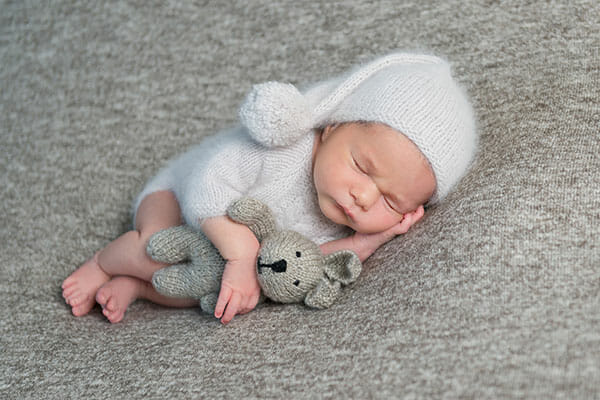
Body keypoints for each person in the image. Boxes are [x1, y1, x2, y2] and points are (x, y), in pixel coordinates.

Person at [62, 52, 477, 324]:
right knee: (157, 242)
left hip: (215, 254)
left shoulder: (350, 220)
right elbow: (208, 182)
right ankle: (104, 263)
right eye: (361, 166)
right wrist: (242, 254)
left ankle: (137, 287)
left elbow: (311, 260)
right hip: (177, 196)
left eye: (391, 200)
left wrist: (373, 239)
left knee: (209, 288)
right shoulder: (284, 147)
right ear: (332, 126)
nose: (363, 196)